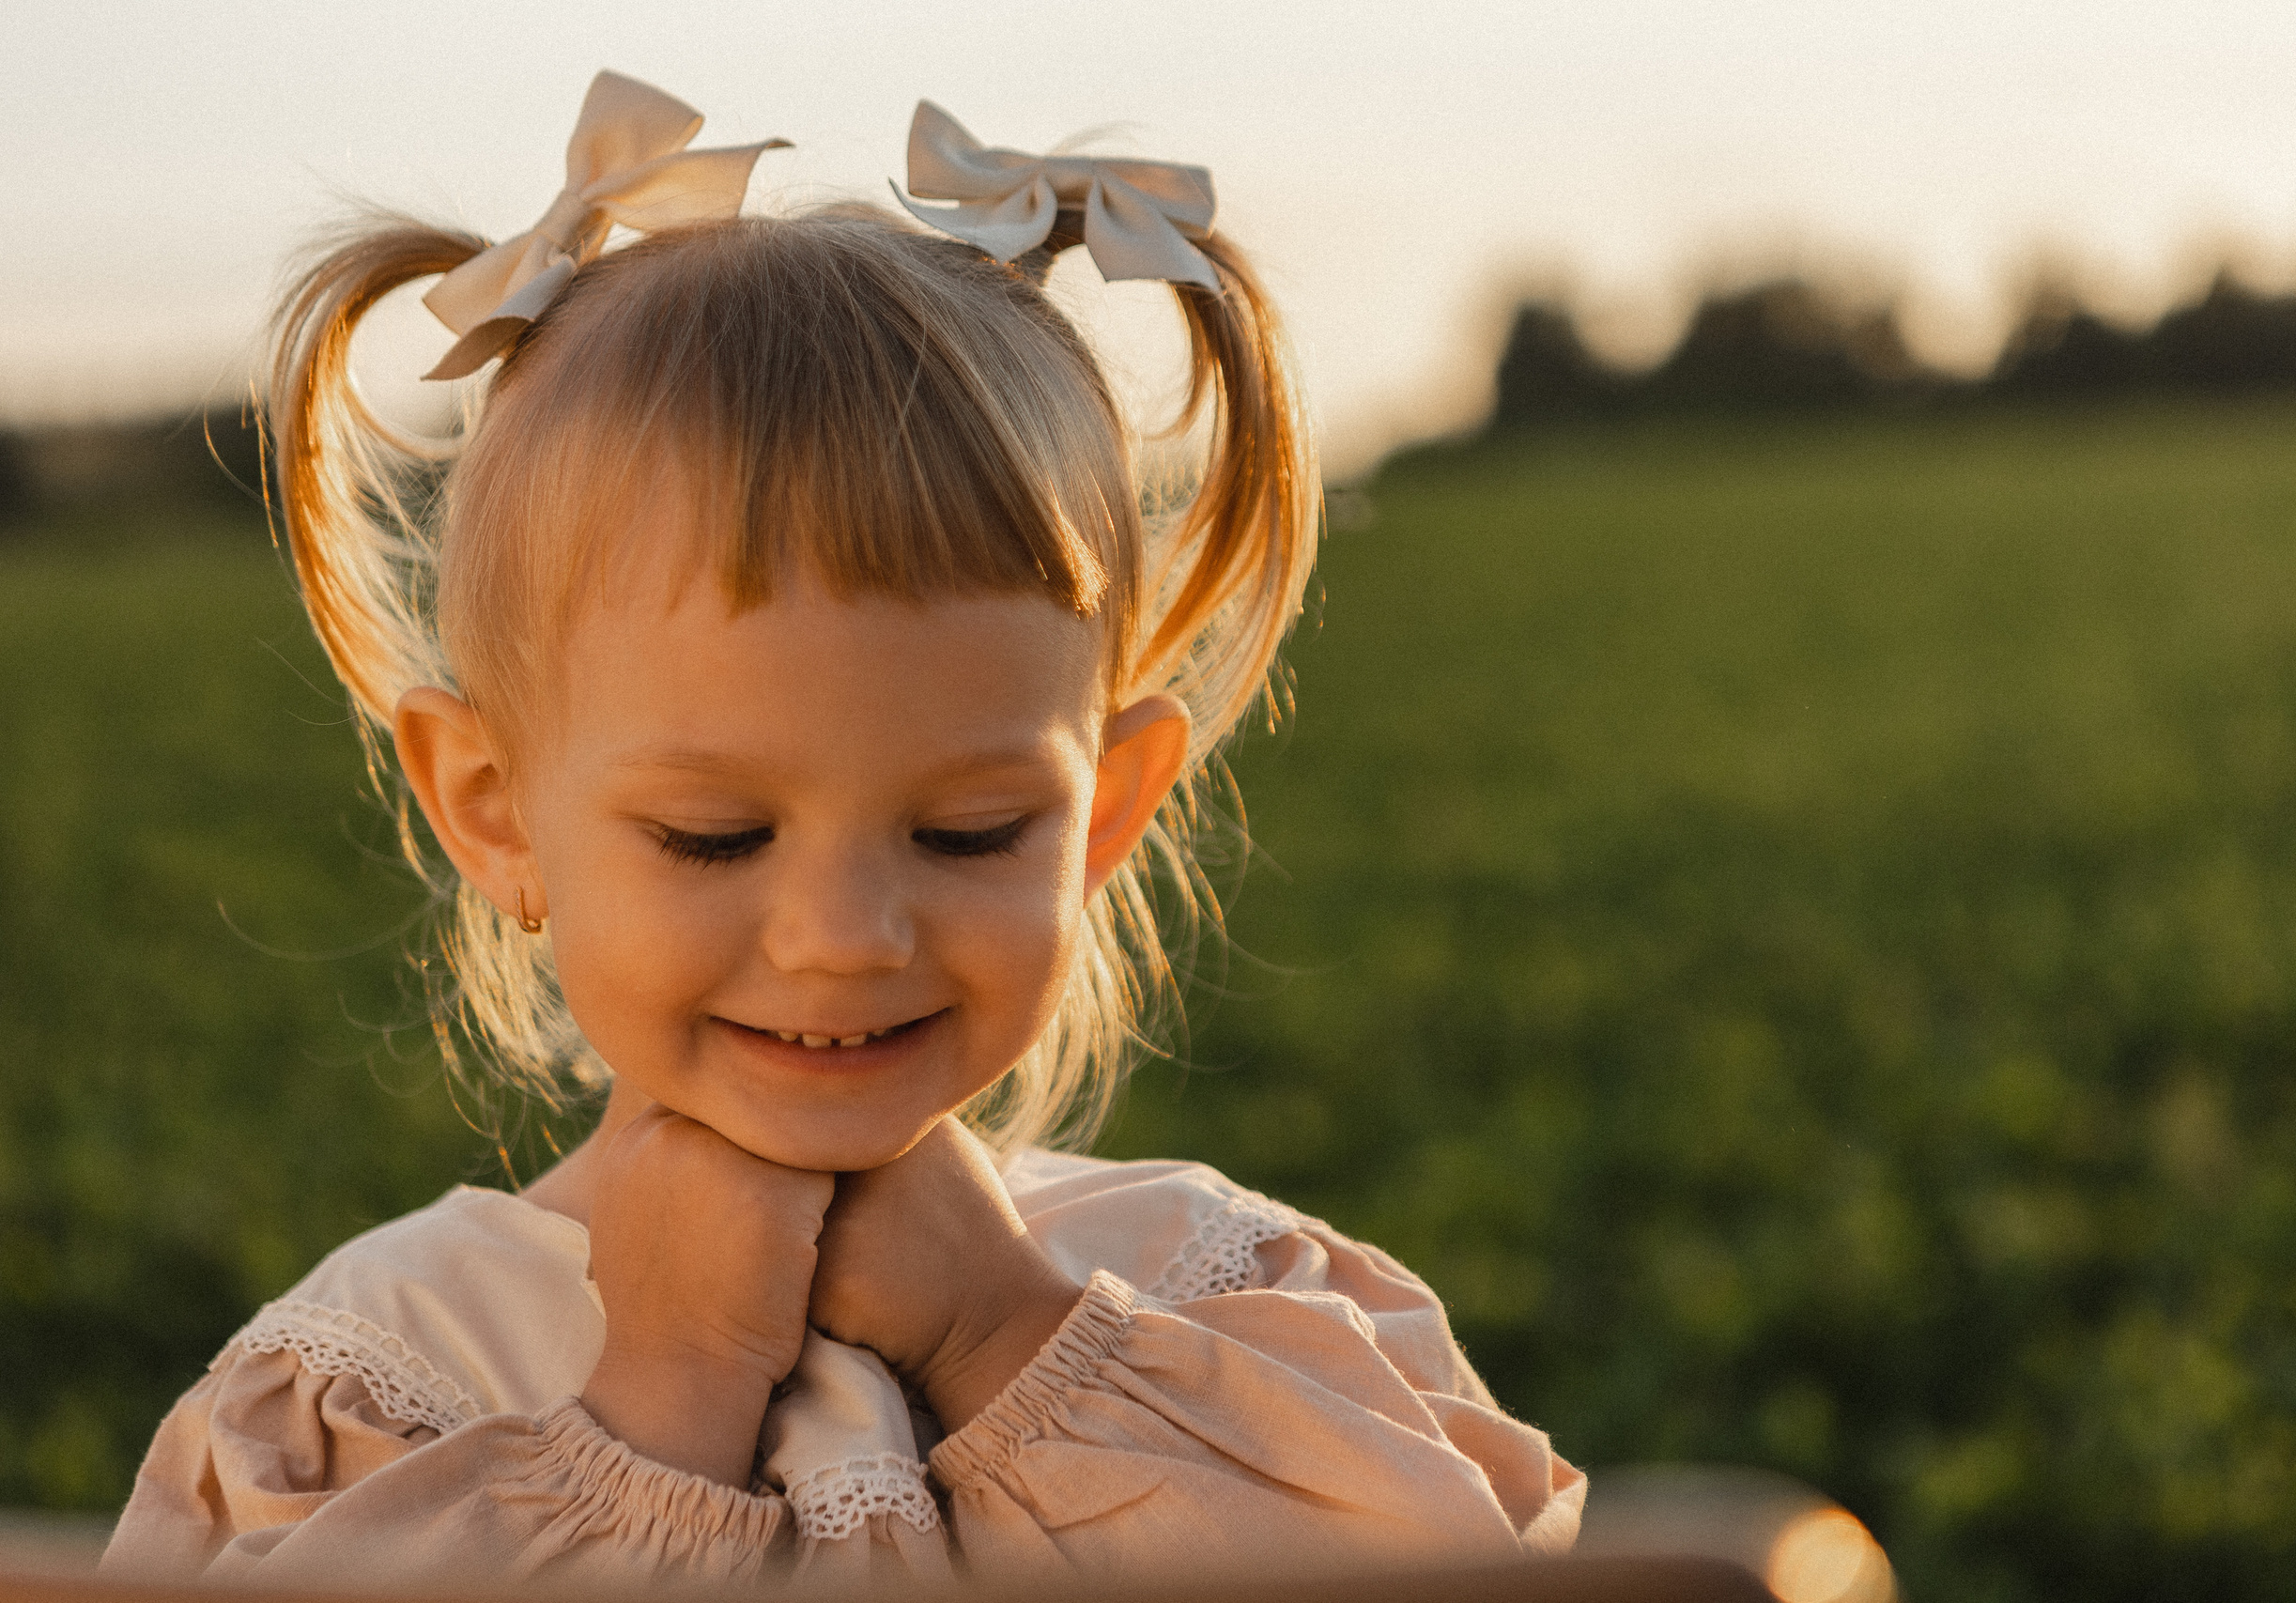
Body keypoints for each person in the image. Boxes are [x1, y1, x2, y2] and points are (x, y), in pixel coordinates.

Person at [101, 71, 1585, 1589]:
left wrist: (1011, 1339)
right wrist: (654, 1412)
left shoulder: (1217, 1305)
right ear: (495, 812)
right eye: (713, 836)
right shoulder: (388, 1376)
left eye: (972, 831)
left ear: (1106, 812)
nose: (844, 940)